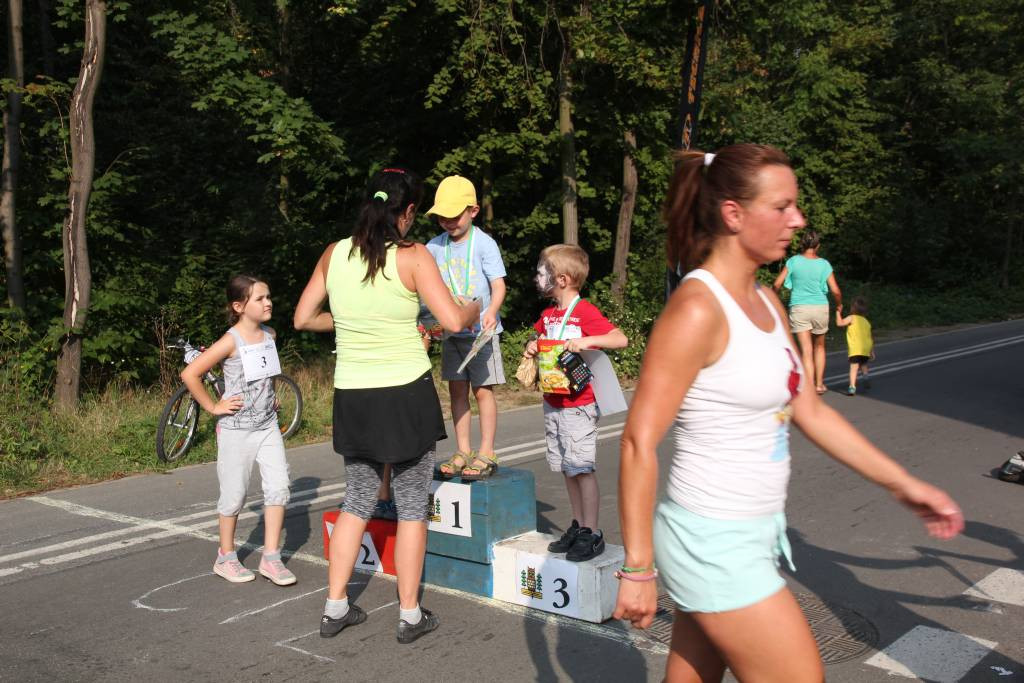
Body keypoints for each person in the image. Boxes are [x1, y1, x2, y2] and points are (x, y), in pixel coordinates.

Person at [613, 144, 963, 683]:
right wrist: (638, 567)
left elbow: (810, 411)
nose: (797, 220)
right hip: (713, 542)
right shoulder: (697, 309)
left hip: (750, 532)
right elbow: (638, 441)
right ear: (733, 214)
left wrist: (904, 485)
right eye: (782, 207)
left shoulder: (767, 301)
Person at [294, 167, 479, 644]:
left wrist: (349, 319)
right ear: (409, 211)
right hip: (404, 392)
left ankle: (335, 607)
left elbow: (302, 317)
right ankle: (410, 614)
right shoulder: (414, 256)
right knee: (413, 506)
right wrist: (475, 306)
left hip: (353, 393)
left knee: (357, 498)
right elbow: (452, 320)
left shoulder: (335, 253)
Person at [180, 275, 296, 587]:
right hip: (236, 429)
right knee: (234, 495)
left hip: (267, 426)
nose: (268, 303)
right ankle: (226, 557)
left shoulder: (270, 334)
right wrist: (213, 406)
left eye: (268, 296)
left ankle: (271, 558)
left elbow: (267, 374)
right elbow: (190, 374)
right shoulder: (230, 341)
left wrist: (272, 397)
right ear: (238, 306)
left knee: (279, 488)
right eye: (260, 299)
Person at [523, 244, 628, 562]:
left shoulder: (584, 311)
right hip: (553, 403)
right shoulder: (548, 316)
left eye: (543, 272)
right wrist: (532, 345)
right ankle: (579, 524)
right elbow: (537, 338)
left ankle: (592, 532)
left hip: (579, 404)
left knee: (581, 469)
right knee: (568, 469)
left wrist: (587, 340)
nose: (538, 277)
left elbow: (619, 338)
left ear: (563, 279)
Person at [425, 175, 508, 481]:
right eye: (442, 216)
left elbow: (498, 286)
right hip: (452, 333)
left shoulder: (484, 243)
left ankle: (487, 451)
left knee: (483, 391)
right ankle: (463, 450)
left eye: (454, 215)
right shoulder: (434, 246)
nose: (448, 222)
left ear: (473, 211)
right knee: (456, 391)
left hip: (481, 334)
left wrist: (492, 313)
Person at [773, 229, 842, 394]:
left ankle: (809, 387)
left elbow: (777, 284)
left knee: (806, 350)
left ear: (802, 244)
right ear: (818, 246)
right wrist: (839, 305)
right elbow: (836, 291)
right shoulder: (824, 264)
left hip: (799, 308)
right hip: (820, 308)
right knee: (820, 347)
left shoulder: (793, 261)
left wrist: (773, 300)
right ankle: (819, 384)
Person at [835, 296, 874, 396]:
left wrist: (838, 312)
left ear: (853, 308)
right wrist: (871, 351)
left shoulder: (851, 318)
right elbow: (870, 337)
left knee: (854, 367)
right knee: (863, 364)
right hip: (866, 348)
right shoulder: (866, 322)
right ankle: (865, 376)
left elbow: (839, 323)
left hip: (855, 348)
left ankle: (852, 387)